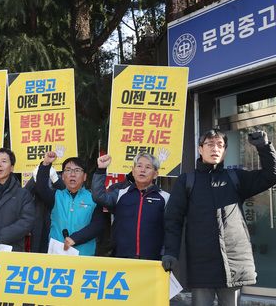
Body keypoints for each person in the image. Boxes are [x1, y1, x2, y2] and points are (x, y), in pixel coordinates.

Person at [162, 130, 276, 306]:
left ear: (225, 151)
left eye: (220, 145)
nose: (215, 149)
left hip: (233, 263)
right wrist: (170, 252)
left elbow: (271, 176)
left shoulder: (236, 177)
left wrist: (264, 147)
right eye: (209, 144)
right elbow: (173, 220)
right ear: (200, 149)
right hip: (201, 263)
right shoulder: (187, 181)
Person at [92, 153, 169, 260]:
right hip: (122, 257)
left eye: (148, 167)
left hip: (152, 259)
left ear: (155, 174)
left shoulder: (165, 198)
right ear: (133, 171)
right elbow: (99, 196)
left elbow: (170, 229)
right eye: (139, 166)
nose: (142, 170)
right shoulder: (121, 194)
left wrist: (166, 254)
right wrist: (101, 170)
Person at [34, 151, 104, 256]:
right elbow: (41, 187)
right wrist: (46, 164)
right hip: (58, 254)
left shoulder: (93, 198)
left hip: (84, 255)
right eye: (68, 170)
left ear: (85, 176)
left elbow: (97, 225)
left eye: (77, 170)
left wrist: (75, 238)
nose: (72, 174)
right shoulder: (56, 196)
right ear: (62, 176)